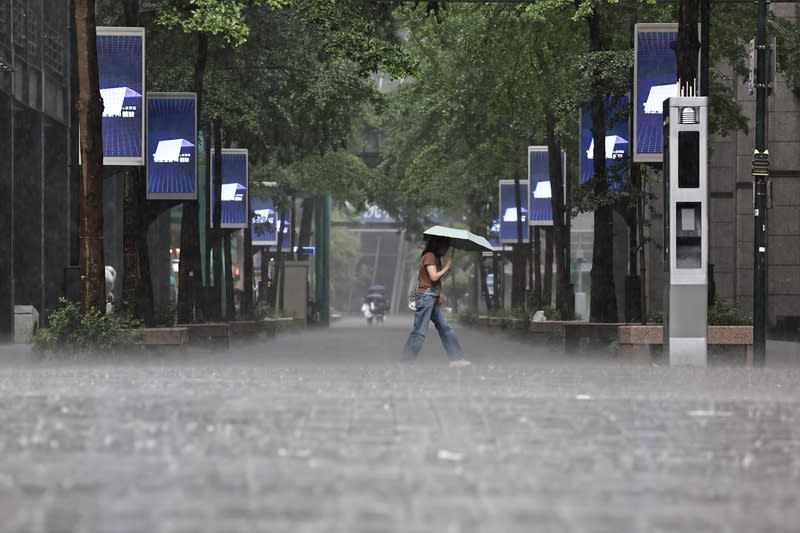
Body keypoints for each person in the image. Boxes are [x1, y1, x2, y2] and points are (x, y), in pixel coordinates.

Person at [401, 236, 471, 367]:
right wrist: (447, 267)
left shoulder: (436, 258)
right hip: (425, 297)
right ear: (436, 244)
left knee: (445, 327)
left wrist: (441, 293)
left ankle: (456, 358)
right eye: (444, 246)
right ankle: (406, 360)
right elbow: (433, 276)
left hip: (432, 297)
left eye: (447, 246)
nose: (446, 249)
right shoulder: (429, 256)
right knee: (420, 331)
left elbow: (436, 281)